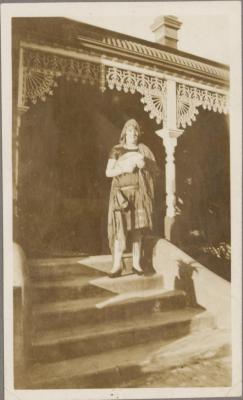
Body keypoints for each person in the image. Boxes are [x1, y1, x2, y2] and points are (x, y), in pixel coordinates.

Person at [106, 119, 159, 278]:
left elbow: (154, 172)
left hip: (138, 194)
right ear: (124, 133)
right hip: (121, 195)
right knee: (120, 231)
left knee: (137, 230)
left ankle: (136, 264)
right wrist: (123, 167)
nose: (133, 133)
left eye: (135, 130)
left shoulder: (143, 151)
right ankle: (117, 265)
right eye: (130, 130)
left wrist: (144, 167)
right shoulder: (116, 150)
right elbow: (108, 172)